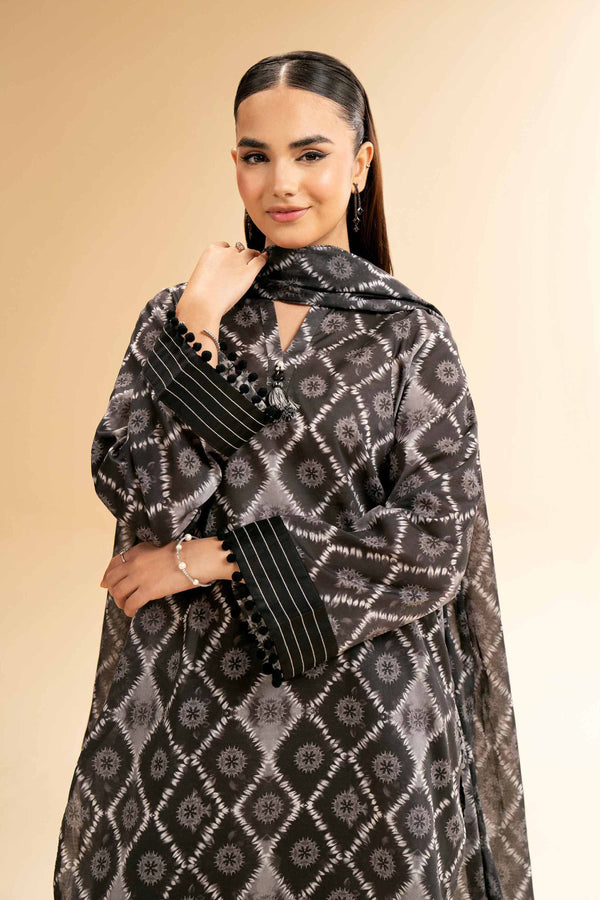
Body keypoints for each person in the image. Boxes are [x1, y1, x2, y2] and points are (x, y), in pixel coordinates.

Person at [53, 50, 534, 900]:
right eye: (255, 155)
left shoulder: (408, 337)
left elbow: (435, 545)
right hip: (188, 703)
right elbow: (144, 500)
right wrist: (197, 326)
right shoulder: (176, 317)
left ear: (360, 163)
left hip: (368, 711)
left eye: (310, 154)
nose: (281, 183)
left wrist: (208, 560)